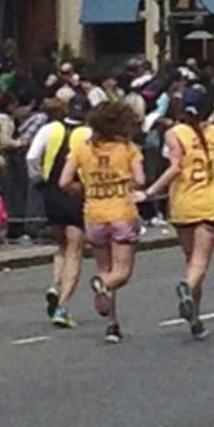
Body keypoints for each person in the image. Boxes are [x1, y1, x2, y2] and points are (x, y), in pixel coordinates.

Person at [140, 86, 214, 340]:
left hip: (183, 202)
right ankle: (187, 289)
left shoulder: (174, 133)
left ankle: (195, 318)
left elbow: (175, 166)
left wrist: (150, 192)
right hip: (211, 202)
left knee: (190, 260)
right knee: (200, 262)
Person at [58, 102, 145, 344]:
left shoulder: (81, 149)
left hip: (93, 213)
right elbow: (140, 178)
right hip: (121, 211)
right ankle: (102, 286)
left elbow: (64, 182)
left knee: (105, 267)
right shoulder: (127, 148)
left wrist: (84, 187)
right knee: (121, 272)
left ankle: (112, 324)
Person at [26, 96, 90, 327]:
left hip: (51, 192)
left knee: (60, 245)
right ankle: (62, 306)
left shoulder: (51, 128)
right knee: (75, 249)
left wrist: (38, 180)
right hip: (76, 192)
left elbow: (32, 156)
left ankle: (55, 283)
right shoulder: (88, 134)